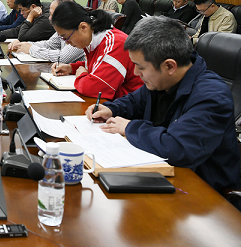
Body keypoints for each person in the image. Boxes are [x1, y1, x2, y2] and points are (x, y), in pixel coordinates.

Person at [87, 16, 240, 194]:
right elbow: (135, 101)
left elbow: (178, 148)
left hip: (202, 192)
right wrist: (111, 109)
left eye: (140, 67)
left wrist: (129, 128)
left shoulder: (212, 97)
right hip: (162, 174)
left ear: (169, 66)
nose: (135, 73)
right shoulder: (162, 81)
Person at [51, 1, 143, 100]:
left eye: (66, 37)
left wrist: (81, 75)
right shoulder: (95, 40)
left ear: (83, 27)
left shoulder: (115, 44)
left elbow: (96, 89)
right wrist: (71, 68)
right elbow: (98, 66)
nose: (67, 43)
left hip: (132, 105)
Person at [8, 0, 85, 64]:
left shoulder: (79, 31)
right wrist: (24, 44)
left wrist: (31, 49)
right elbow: (50, 44)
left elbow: (62, 58)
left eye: (52, 14)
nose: (49, 18)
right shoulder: (64, 28)